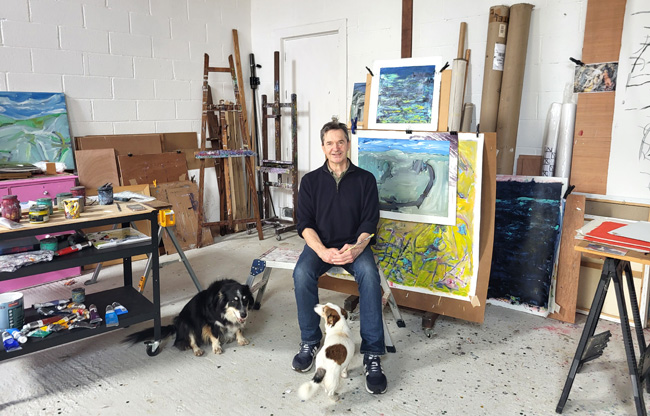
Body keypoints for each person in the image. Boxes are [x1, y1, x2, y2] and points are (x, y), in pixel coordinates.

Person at [291, 120, 387, 394]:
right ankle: (310, 341)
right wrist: (322, 251)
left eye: (340, 142)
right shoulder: (310, 181)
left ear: (348, 144)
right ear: (323, 147)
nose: (336, 148)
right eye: (330, 143)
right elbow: (304, 223)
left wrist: (356, 248)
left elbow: (370, 222)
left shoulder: (365, 179)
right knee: (301, 274)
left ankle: (372, 352)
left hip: (354, 246)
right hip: (321, 246)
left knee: (369, 275)